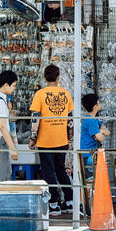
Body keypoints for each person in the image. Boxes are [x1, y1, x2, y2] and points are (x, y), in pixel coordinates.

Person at [29, 64, 74, 214]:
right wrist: (70, 138)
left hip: (45, 139)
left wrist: (32, 138)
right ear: (58, 77)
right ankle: (70, 201)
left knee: (49, 172)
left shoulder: (40, 94)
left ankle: (54, 203)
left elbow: (35, 119)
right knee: (61, 170)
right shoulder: (66, 94)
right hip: (61, 139)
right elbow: (70, 119)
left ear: (44, 77)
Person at [0, 69, 19, 209]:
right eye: (13, 86)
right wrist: (12, 147)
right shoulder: (0, 100)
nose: (13, 89)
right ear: (6, 85)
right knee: (0, 174)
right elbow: (2, 126)